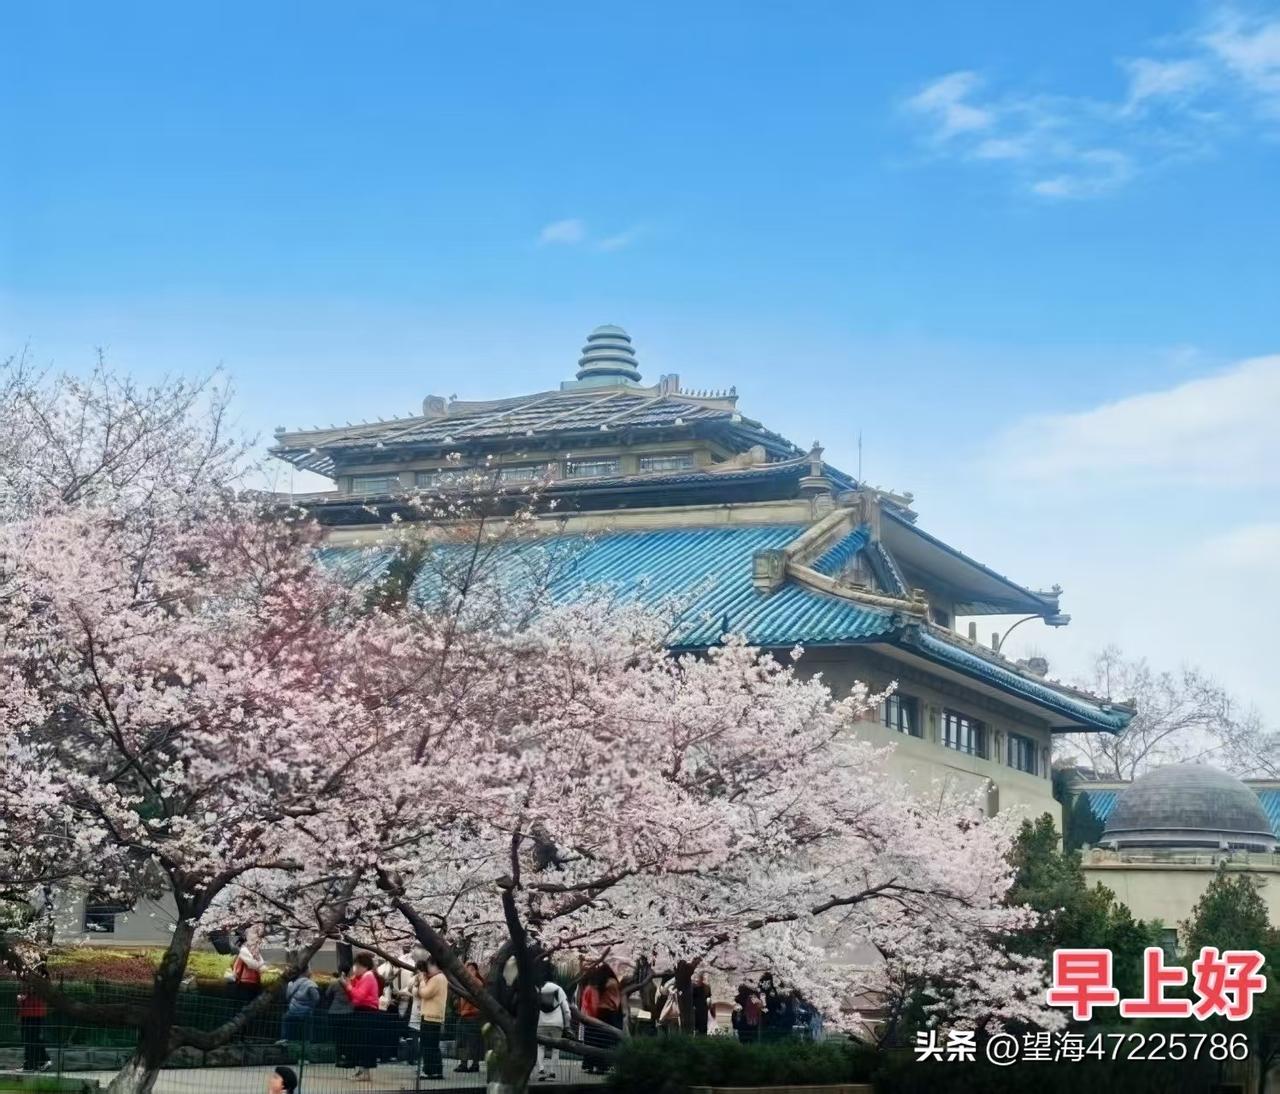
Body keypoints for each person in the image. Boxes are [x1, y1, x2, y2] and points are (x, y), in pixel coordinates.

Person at [343, 953, 382, 1081]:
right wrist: (351, 984)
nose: (356, 968)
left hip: (367, 1012)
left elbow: (359, 996)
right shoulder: (363, 977)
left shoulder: (368, 976)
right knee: (361, 1042)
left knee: (365, 1043)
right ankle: (362, 1071)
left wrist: (349, 986)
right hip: (363, 1012)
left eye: (358, 966)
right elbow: (354, 998)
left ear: (364, 966)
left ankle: (365, 1072)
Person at [414, 956, 448, 1080]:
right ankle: (437, 1071)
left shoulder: (437, 978)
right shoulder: (441, 978)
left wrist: (422, 980)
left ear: (434, 965)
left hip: (430, 1016)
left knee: (428, 1046)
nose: (427, 969)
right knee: (433, 1046)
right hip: (434, 1016)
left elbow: (425, 993)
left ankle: (429, 1071)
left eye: (428, 966)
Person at [535, 973, 571, 1082]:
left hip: (541, 1022)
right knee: (556, 1048)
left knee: (540, 1047)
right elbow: (566, 1010)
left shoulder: (537, 989)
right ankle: (552, 1072)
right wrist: (567, 1025)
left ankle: (541, 1070)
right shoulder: (558, 989)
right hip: (557, 1024)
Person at [277, 965, 320, 1048]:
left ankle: (284, 1040)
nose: (311, 972)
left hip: (292, 1011)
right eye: (309, 970)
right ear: (306, 972)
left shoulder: (291, 983)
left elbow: (287, 996)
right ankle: (306, 1044)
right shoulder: (310, 984)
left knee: (286, 1020)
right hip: (306, 1012)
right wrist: (311, 1006)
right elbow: (316, 998)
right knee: (307, 1029)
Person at [453, 961, 484, 1074]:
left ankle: (475, 1064)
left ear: (476, 971)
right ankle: (463, 1063)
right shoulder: (463, 983)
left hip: (473, 1016)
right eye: (467, 969)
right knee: (462, 1041)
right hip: (463, 1015)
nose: (469, 972)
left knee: (473, 1041)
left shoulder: (477, 983)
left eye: (472, 970)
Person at [324, 963, 355, 1068]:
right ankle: (348, 1058)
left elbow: (327, 994)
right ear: (349, 971)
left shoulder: (334, 982)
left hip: (334, 1012)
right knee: (348, 1038)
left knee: (337, 1038)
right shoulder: (352, 982)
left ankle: (338, 1059)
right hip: (348, 1013)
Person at [17, 984, 50, 1072]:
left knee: (31, 1039)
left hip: (33, 1012)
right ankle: (35, 1062)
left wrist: (23, 996)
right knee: (32, 1039)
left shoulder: (34, 980)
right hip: (30, 1012)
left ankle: (34, 1063)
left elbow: (34, 989)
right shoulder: (27, 979)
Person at [691, 971, 711, 1037]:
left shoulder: (706, 987)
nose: (696, 980)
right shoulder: (693, 987)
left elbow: (708, 997)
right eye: (696, 978)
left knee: (703, 1024)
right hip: (695, 1008)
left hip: (703, 1009)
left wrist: (709, 1003)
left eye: (698, 978)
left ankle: (703, 1038)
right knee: (696, 1024)